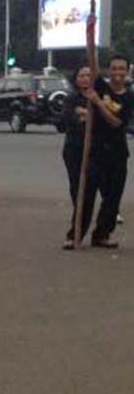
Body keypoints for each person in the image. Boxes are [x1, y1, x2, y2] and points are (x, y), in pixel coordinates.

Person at [62, 55, 132, 249]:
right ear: (109, 71)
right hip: (95, 152)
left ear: (127, 72)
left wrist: (99, 104)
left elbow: (117, 123)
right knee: (86, 194)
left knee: (112, 198)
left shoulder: (129, 97)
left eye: (122, 69)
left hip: (117, 154)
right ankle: (74, 234)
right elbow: (93, 67)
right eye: (114, 69)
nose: (118, 73)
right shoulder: (102, 88)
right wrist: (91, 30)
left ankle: (102, 235)